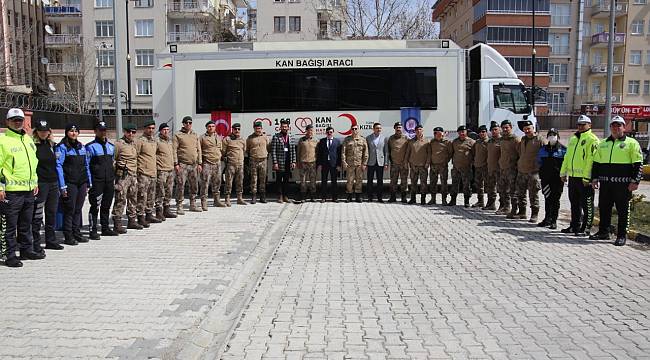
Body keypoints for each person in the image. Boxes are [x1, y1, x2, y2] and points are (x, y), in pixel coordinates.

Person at [589, 116, 643, 246]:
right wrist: (594, 178)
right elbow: (596, 163)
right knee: (604, 208)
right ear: (610, 128)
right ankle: (603, 232)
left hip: (623, 185)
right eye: (613, 125)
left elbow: (638, 164)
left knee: (623, 210)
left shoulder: (631, 143)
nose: (616, 128)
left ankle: (621, 235)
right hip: (606, 184)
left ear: (624, 128)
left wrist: (635, 181)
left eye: (619, 125)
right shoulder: (603, 143)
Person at [0, 108, 42, 267]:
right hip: (11, 192)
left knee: (26, 223)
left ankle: (26, 250)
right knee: (9, 226)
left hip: (29, 189)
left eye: (20, 120)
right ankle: (9, 255)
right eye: (14, 120)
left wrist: (35, 181)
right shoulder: (3, 141)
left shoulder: (28, 139)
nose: (18, 122)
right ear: (7, 122)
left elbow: (34, 163)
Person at [560, 114, 599, 236]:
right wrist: (563, 172)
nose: (581, 127)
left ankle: (586, 228)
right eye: (579, 125)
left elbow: (590, 160)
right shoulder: (573, 139)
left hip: (584, 179)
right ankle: (574, 225)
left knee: (587, 205)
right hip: (573, 177)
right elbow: (567, 157)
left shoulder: (592, 140)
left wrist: (587, 177)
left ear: (589, 125)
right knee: (574, 204)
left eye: (583, 124)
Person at [56, 123, 92, 245]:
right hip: (69, 182)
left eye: (76, 131)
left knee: (78, 209)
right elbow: (59, 166)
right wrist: (62, 185)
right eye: (71, 131)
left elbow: (86, 165)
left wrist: (88, 181)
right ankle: (68, 235)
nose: (73, 133)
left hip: (81, 182)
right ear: (67, 132)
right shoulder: (62, 147)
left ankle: (76, 232)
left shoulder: (81, 146)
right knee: (69, 209)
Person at [32, 120, 62, 251]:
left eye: (45, 130)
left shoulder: (52, 145)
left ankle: (51, 240)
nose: (43, 133)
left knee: (51, 212)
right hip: (41, 183)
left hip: (53, 183)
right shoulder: (32, 146)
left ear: (49, 132)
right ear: (36, 132)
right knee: (37, 214)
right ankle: (36, 243)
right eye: (40, 130)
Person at [85, 120, 117, 239]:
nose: (103, 132)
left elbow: (112, 163)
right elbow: (86, 165)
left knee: (106, 205)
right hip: (96, 181)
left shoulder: (111, 147)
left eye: (104, 130)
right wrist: (89, 182)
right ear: (95, 131)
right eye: (100, 130)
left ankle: (105, 228)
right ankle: (93, 229)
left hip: (108, 180)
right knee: (95, 205)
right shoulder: (90, 147)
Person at [512, 120, 544, 222]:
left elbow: (545, 155)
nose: (526, 130)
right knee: (520, 193)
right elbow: (519, 152)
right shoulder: (523, 139)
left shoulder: (540, 140)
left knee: (533, 194)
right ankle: (522, 212)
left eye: (528, 128)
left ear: (533, 128)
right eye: (525, 129)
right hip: (522, 171)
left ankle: (534, 214)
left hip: (533, 172)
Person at [112, 123, 140, 232]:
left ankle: (132, 221)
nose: (131, 134)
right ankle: (117, 222)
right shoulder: (119, 144)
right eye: (129, 132)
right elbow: (113, 160)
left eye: (133, 132)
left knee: (133, 198)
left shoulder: (135, 144)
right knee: (120, 198)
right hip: (123, 176)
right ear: (125, 132)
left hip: (133, 175)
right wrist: (117, 172)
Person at [537, 128, 566, 229]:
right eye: (550, 135)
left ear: (558, 136)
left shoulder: (563, 149)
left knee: (555, 200)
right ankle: (547, 219)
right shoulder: (543, 149)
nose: (552, 137)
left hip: (557, 180)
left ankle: (554, 220)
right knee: (547, 198)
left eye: (554, 135)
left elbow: (565, 165)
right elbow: (539, 162)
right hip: (545, 179)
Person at [173, 116, 202, 214]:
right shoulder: (178, 135)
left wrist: (200, 163)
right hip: (182, 164)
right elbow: (174, 150)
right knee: (180, 185)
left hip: (193, 165)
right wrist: (176, 163)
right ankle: (179, 205)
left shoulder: (195, 134)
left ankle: (193, 204)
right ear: (183, 124)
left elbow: (199, 150)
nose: (188, 124)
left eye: (190, 123)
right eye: (186, 123)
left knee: (194, 185)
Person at [135, 120, 161, 227]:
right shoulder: (140, 141)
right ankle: (140, 216)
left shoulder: (154, 141)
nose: (151, 130)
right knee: (142, 196)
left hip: (152, 172)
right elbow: (135, 156)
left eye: (153, 128)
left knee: (151, 195)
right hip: (143, 173)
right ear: (145, 129)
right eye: (149, 128)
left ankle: (149, 214)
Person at [497, 120, 520, 216]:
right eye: (503, 128)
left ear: (511, 127)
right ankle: (506, 207)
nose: (505, 129)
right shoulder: (501, 140)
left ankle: (514, 209)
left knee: (513, 190)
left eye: (507, 127)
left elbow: (520, 153)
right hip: (503, 168)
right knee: (503, 189)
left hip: (512, 169)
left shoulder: (515, 139)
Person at [449, 125, 475, 207]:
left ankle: (466, 201)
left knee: (466, 185)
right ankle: (453, 200)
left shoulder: (471, 142)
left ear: (466, 132)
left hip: (466, 167)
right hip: (456, 167)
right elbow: (452, 152)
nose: (462, 133)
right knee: (454, 184)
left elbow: (474, 154)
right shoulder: (455, 142)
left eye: (463, 131)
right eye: (460, 132)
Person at [341, 124, 368, 203]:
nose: (354, 130)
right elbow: (343, 152)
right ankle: (349, 196)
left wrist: (364, 164)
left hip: (359, 164)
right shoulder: (347, 140)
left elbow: (365, 153)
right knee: (350, 180)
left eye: (356, 128)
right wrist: (344, 162)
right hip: (350, 164)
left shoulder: (362, 140)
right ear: (351, 130)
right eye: (353, 129)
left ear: (358, 129)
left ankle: (358, 196)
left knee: (359, 180)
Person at [200, 120, 224, 209]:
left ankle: (216, 200)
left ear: (215, 127)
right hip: (207, 163)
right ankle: (204, 201)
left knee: (217, 182)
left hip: (217, 162)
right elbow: (199, 150)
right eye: (209, 126)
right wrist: (200, 162)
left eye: (213, 126)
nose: (211, 128)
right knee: (205, 183)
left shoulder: (218, 137)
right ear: (206, 127)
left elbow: (220, 148)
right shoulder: (202, 138)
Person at [155, 123, 177, 219]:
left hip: (170, 169)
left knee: (169, 190)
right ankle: (159, 211)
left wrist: (175, 164)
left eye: (167, 129)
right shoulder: (157, 141)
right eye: (164, 129)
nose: (166, 131)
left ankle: (166, 209)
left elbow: (173, 153)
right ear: (160, 131)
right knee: (160, 191)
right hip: (161, 170)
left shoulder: (170, 141)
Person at [271, 119, 296, 203]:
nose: (284, 128)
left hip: (288, 163)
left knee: (286, 180)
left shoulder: (291, 137)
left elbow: (293, 151)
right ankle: (280, 196)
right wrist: (275, 162)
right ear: (280, 128)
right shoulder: (276, 137)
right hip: (279, 163)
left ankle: (285, 196)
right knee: (279, 180)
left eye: (286, 127)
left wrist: (293, 161)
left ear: (288, 128)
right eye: (283, 127)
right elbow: (273, 151)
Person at [223, 123, 247, 206]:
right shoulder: (227, 139)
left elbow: (244, 150)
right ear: (232, 130)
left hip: (240, 164)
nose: (237, 131)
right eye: (235, 129)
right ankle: (227, 199)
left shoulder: (242, 140)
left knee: (240, 182)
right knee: (228, 182)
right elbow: (223, 151)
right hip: (231, 164)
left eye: (238, 129)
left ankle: (239, 198)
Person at [405, 124, 430, 205]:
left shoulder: (427, 141)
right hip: (413, 166)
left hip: (423, 166)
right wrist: (407, 162)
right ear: (415, 131)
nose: (419, 131)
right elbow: (407, 153)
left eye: (420, 129)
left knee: (423, 183)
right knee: (413, 183)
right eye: (417, 130)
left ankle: (423, 199)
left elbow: (429, 154)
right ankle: (413, 199)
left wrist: (427, 163)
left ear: (422, 130)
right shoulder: (411, 141)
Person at [316, 126, 341, 202]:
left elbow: (339, 154)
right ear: (326, 133)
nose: (329, 133)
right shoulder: (322, 141)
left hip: (334, 164)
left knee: (334, 181)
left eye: (331, 132)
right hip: (324, 164)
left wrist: (339, 165)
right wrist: (319, 164)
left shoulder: (337, 141)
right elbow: (319, 154)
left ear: (333, 133)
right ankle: (323, 197)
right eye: (328, 132)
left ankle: (335, 197)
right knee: (324, 181)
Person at [246, 122, 270, 204]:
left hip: (263, 160)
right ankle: (254, 196)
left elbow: (268, 147)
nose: (258, 130)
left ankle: (262, 196)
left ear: (261, 128)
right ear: (254, 128)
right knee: (254, 179)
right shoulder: (250, 138)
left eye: (259, 128)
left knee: (263, 179)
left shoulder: (265, 137)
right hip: (254, 160)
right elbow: (247, 149)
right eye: (256, 128)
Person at [428, 127, 452, 205]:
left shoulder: (447, 142)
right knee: (432, 183)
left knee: (444, 183)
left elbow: (450, 153)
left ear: (442, 133)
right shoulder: (432, 142)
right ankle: (433, 199)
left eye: (438, 133)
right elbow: (429, 153)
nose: (436, 135)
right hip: (433, 166)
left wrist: (445, 161)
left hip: (443, 166)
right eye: (434, 133)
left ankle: (444, 200)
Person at [365, 123, 388, 202]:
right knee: (369, 180)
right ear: (373, 129)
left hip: (380, 162)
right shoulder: (368, 138)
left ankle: (379, 197)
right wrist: (365, 163)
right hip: (371, 162)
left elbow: (386, 152)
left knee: (380, 181)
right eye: (377, 128)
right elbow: (366, 152)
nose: (379, 130)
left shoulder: (384, 138)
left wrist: (386, 163)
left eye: (380, 128)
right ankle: (370, 197)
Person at [386, 122, 409, 203]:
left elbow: (408, 151)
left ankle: (404, 197)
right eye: (397, 127)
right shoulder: (391, 138)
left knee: (404, 181)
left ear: (402, 128)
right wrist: (390, 161)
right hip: (394, 164)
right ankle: (393, 197)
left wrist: (406, 161)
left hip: (404, 164)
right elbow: (388, 151)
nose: (398, 129)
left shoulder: (406, 138)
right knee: (393, 181)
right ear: (394, 128)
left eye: (400, 127)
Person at [296, 124, 318, 203]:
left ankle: (313, 196)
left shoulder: (316, 140)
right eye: (309, 130)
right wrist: (298, 162)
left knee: (313, 181)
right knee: (303, 181)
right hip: (303, 163)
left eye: (311, 130)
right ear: (306, 131)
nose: (310, 132)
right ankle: (303, 197)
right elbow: (298, 152)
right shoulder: (301, 140)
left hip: (312, 163)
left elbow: (317, 152)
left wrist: (317, 163)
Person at [484, 122, 501, 211]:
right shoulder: (489, 141)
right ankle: (491, 204)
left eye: (495, 129)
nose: (494, 131)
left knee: (502, 189)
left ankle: (503, 206)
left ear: (499, 130)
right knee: (490, 187)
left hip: (499, 169)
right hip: (490, 168)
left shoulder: (502, 141)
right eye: (492, 130)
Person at [472, 125, 489, 208]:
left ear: (486, 132)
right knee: (479, 185)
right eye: (480, 132)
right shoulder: (477, 142)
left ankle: (490, 203)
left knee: (489, 186)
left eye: (483, 132)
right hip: (478, 166)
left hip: (486, 167)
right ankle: (480, 201)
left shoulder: (489, 142)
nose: (481, 133)